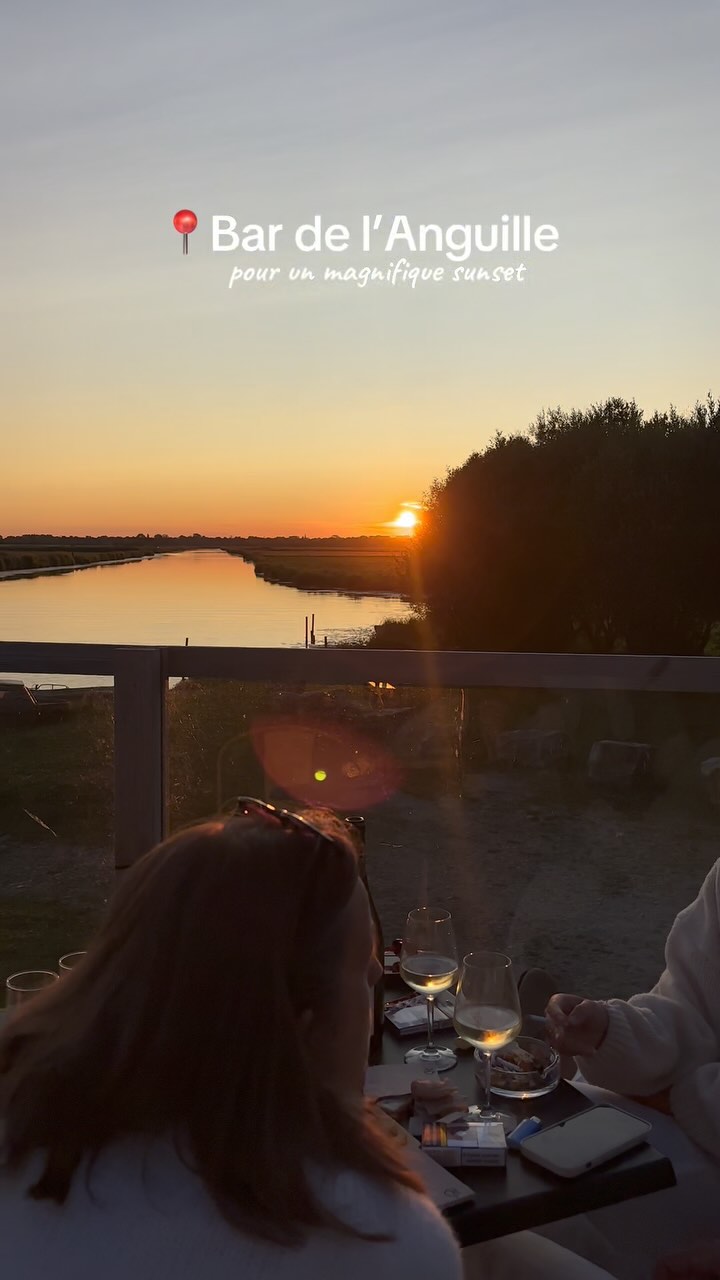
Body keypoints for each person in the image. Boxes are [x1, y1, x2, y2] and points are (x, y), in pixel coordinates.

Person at [0, 800, 612, 1280]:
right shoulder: (380, 1237)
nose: (376, 989)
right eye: (365, 974)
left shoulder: (28, 1136)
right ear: (302, 1033)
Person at [544, 856, 720, 1279]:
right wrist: (609, 1030)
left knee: (544, 1212)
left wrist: (677, 1095)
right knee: (521, 1147)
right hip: (685, 1130)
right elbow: (688, 1012)